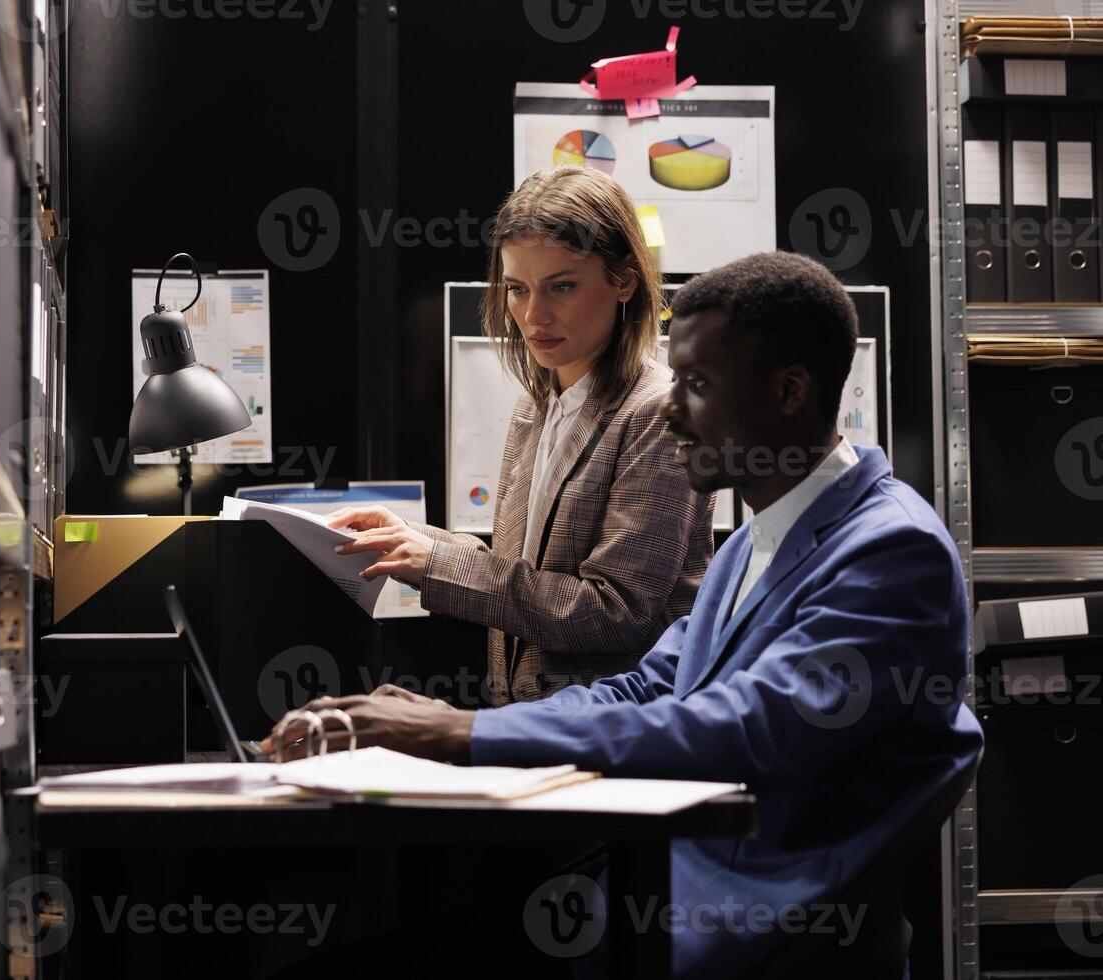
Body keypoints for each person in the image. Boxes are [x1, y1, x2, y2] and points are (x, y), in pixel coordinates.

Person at [265, 251, 985, 977]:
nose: (669, 411)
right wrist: (445, 722)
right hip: (643, 902)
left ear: (789, 391)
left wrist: (462, 734)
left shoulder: (892, 551)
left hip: (742, 934)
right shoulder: (752, 544)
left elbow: (742, 728)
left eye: (696, 386)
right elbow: (646, 687)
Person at [330, 166, 713, 704]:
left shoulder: (659, 412)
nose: (533, 316)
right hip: (527, 731)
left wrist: (437, 564)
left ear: (624, 281)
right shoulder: (535, 408)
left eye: (562, 287)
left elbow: (614, 614)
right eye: (516, 289)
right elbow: (525, 577)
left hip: (617, 745)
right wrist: (415, 539)